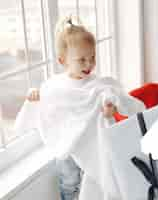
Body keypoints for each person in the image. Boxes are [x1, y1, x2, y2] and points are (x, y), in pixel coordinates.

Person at [18, 15, 145, 200]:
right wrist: (34, 97)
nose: (89, 64)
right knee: (69, 184)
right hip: (67, 149)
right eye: (82, 60)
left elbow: (116, 98)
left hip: (91, 144)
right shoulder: (55, 86)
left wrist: (112, 108)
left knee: (92, 185)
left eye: (92, 57)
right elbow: (45, 101)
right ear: (63, 61)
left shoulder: (97, 85)